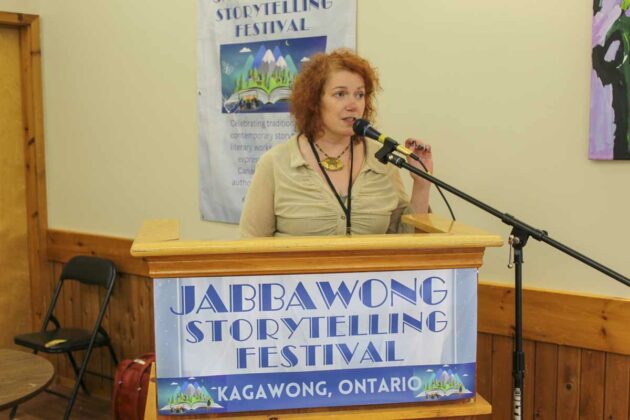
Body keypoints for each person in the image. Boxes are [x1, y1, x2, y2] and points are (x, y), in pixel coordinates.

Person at [239, 49, 433, 237]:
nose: (353, 105)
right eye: (340, 94)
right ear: (313, 101)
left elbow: (407, 240)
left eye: (359, 94)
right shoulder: (275, 163)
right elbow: (249, 247)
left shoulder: (381, 159)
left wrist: (422, 184)